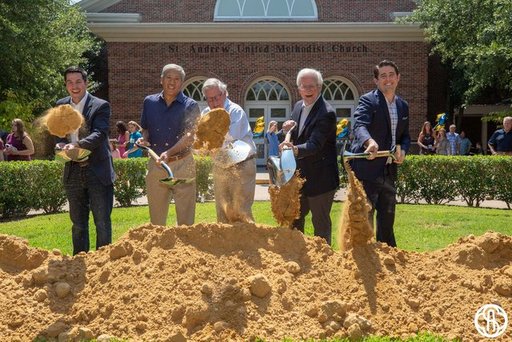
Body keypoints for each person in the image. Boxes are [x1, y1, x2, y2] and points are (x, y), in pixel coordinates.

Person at [55, 66, 115, 255]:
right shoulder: (61, 105)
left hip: (97, 171)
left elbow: (99, 133)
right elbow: (58, 133)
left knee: (102, 221)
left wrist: (78, 145)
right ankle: (79, 263)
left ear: (86, 83)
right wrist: (60, 145)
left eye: (78, 81)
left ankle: (103, 266)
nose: (74, 86)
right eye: (70, 82)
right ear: (66, 85)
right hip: (72, 171)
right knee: (78, 223)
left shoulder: (100, 105)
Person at [349, 60, 410, 248]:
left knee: (387, 218)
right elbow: (359, 125)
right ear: (376, 81)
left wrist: (403, 149)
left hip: (389, 171)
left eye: (391, 74)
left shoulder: (402, 106)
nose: (388, 79)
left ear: (398, 78)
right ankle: (362, 258)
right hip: (367, 170)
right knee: (364, 219)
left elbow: (405, 136)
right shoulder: (368, 100)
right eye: (383, 76)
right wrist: (369, 141)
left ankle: (388, 256)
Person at [280, 68, 339, 245]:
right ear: (298, 89)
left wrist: (293, 149)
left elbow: (315, 144)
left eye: (312, 86)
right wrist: (286, 130)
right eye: (304, 86)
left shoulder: (327, 112)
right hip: (299, 178)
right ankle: (298, 256)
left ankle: (324, 264)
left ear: (319, 87)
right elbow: (299, 134)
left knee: (320, 226)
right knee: (295, 220)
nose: (308, 90)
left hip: (321, 179)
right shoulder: (298, 106)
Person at [139, 63, 200, 226]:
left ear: (182, 83)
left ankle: (185, 249)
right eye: (168, 77)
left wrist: (169, 152)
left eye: (177, 79)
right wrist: (144, 139)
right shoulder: (149, 102)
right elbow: (145, 128)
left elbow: (189, 136)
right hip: (156, 165)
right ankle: (160, 250)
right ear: (161, 80)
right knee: (156, 220)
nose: (172, 82)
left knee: (186, 220)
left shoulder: (191, 105)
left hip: (183, 164)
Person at [201, 78, 257, 223]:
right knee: (223, 209)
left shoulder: (235, 111)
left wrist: (208, 135)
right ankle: (224, 245)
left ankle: (247, 244)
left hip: (242, 164)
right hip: (221, 165)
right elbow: (202, 142)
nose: (214, 102)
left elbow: (230, 138)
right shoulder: (206, 113)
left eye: (216, 97)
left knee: (240, 210)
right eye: (209, 99)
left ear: (225, 93)